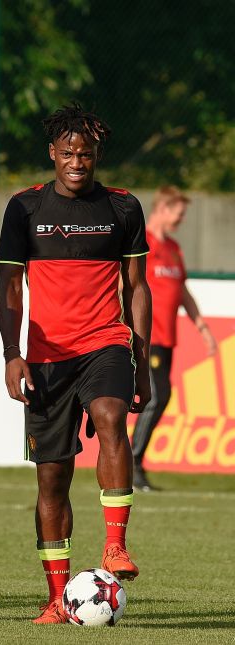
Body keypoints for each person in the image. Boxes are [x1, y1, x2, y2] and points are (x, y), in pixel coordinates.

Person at [0, 104, 152, 624]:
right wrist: (12, 353)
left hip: (106, 342)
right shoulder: (23, 208)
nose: (76, 162)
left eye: (84, 153)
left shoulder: (124, 208)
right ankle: (58, 599)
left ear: (97, 155)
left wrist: (143, 359)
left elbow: (136, 287)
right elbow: (10, 287)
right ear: (52, 154)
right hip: (45, 359)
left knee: (111, 417)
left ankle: (114, 547)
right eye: (67, 153)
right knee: (51, 480)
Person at [131, 186, 217, 491]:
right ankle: (131, 463)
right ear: (163, 209)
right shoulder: (143, 244)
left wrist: (202, 328)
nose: (181, 219)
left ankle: (132, 462)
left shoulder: (174, 249)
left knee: (158, 397)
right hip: (145, 338)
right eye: (178, 214)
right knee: (156, 395)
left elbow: (181, 292)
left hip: (167, 340)